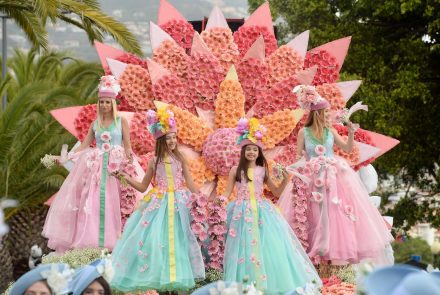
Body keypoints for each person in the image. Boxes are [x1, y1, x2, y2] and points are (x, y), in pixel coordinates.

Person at [280, 85, 393, 265]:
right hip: (312, 176)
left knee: (336, 212)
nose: (328, 115)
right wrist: (295, 171)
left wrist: (350, 133)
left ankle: (331, 253)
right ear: (317, 113)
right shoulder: (304, 132)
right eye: (325, 112)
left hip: (334, 176)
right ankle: (315, 251)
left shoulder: (330, 131)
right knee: (312, 213)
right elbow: (298, 156)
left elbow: (347, 148)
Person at [42, 75, 144, 252]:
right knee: (93, 203)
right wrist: (65, 157)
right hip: (97, 169)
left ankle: (116, 241)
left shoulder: (121, 122)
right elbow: (83, 146)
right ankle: (93, 241)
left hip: (116, 168)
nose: (104, 105)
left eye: (107, 102)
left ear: (112, 103)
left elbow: (127, 147)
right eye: (101, 102)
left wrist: (129, 166)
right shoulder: (95, 123)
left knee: (116, 204)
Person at [221, 117, 322, 294]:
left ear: (259, 152)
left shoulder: (262, 170)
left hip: (262, 212)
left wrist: (284, 179)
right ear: (243, 151)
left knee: (267, 245)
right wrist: (219, 202)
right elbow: (227, 192)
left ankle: (267, 282)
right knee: (242, 247)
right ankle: (245, 284)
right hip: (241, 212)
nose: (251, 153)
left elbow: (276, 192)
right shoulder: (235, 170)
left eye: (255, 150)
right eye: (248, 150)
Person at [110, 106, 205, 292]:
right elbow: (143, 187)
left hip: (179, 203)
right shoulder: (154, 161)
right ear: (160, 140)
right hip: (159, 204)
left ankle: (176, 279)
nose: (172, 141)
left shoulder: (181, 158)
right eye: (168, 138)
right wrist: (126, 178)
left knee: (180, 238)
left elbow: (191, 183)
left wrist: (201, 198)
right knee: (156, 240)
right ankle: (159, 278)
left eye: (173, 137)